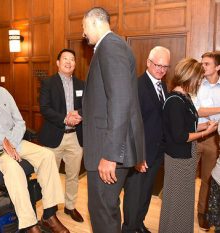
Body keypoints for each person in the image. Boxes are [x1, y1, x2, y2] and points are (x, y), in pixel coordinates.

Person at [0, 58, 70, 233]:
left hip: (14, 141)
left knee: (47, 155)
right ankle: (29, 224)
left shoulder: (4, 93)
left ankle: (49, 215)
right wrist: (1, 140)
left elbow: (20, 122)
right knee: (14, 169)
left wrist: (11, 142)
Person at [81, 7, 146, 233]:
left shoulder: (110, 46)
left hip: (107, 150)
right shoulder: (114, 46)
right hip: (112, 146)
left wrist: (110, 155)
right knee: (107, 209)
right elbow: (128, 103)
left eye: (84, 27)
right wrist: (138, 151)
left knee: (103, 213)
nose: (84, 34)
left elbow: (121, 102)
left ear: (95, 23)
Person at [159, 58, 218, 233]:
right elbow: (180, 136)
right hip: (178, 157)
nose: (200, 81)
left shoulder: (185, 98)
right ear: (189, 78)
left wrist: (205, 125)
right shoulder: (174, 101)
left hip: (187, 154)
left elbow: (188, 126)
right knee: (176, 200)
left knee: (184, 199)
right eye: (198, 78)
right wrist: (205, 133)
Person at [123, 46, 170, 233]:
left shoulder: (163, 85)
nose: (161, 70)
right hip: (140, 154)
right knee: (134, 196)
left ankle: (138, 224)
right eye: (158, 65)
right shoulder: (137, 86)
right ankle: (128, 228)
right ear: (148, 63)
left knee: (145, 194)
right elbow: (131, 124)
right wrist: (137, 156)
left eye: (165, 66)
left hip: (156, 152)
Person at [39, 48, 85, 223]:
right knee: (50, 176)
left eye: (72, 59)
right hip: (54, 136)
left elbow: (87, 105)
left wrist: (79, 114)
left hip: (75, 137)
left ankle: (70, 206)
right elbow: (45, 108)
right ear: (58, 63)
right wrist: (65, 118)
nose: (69, 62)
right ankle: (49, 211)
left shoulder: (82, 84)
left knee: (73, 175)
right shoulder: (48, 83)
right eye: (65, 58)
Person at [193, 51, 220, 231]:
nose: (203, 67)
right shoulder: (196, 85)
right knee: (187, 176)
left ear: (218, 67)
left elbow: (204, 110)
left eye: (207, 64)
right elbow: (198, 112)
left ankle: (202, 213)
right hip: (195, 135)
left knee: (207, 179)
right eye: (202, 63)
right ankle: (183, 211)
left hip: (214, 139)